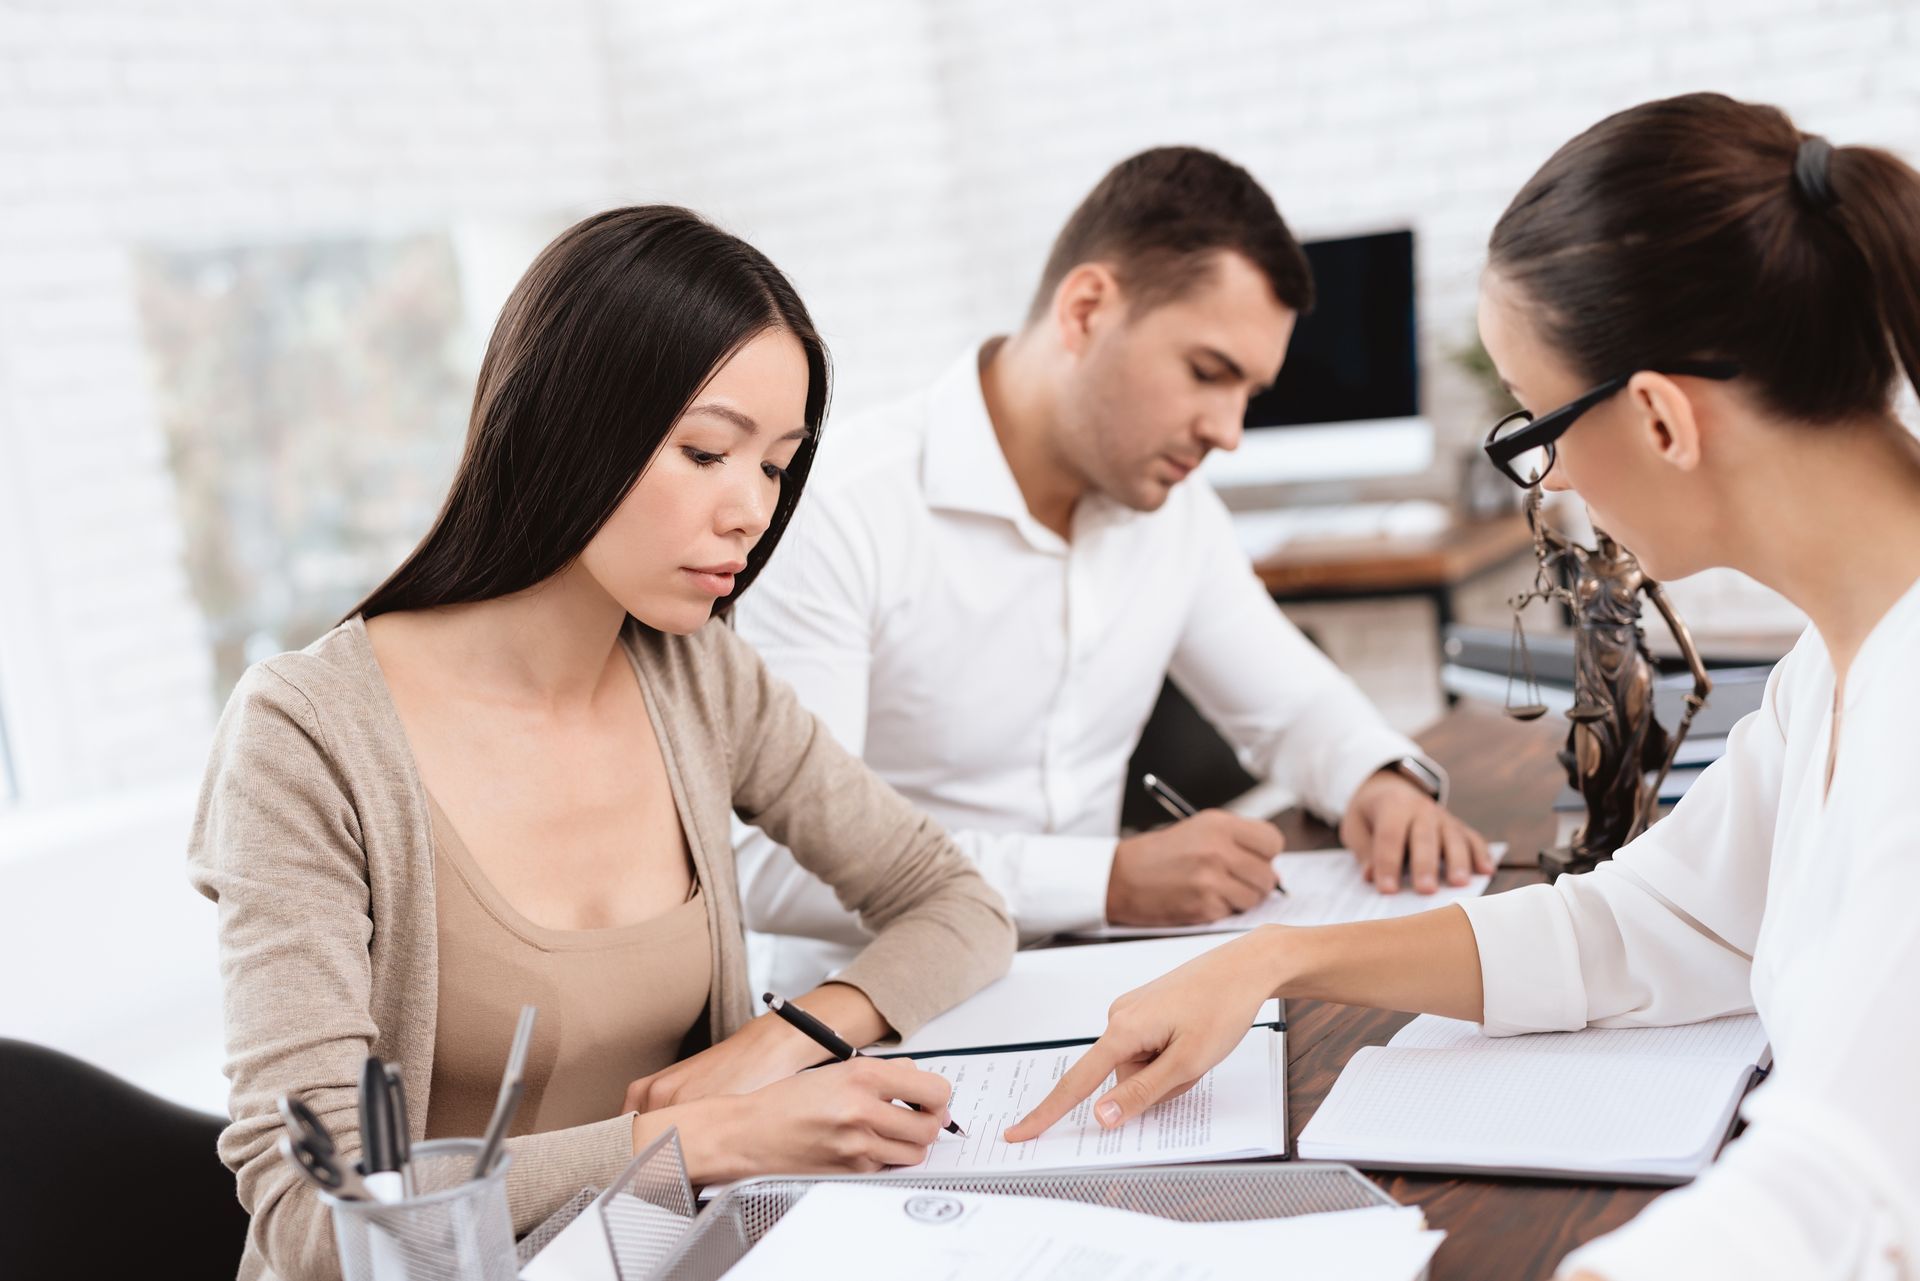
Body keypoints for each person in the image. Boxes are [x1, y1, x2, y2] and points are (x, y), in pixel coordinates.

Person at [1003, 94, 1920, 1279]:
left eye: (1535, 427)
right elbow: (1651, 923)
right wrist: (1277, 960)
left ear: (1657, 417)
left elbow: (1845, 1196)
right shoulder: (1832, 667)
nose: (1548, 477)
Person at [188, 206, 1015, 1281]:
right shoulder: (306, 735)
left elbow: (957, 903)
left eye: (775, 466)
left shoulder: (699, 675)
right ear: (562, 423)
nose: (749, 511)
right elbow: (314, 1209)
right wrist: (712, 1136)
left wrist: (786, 1040)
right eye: (706, 451)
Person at [734, 146, 1491, 993]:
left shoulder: (1172, 513)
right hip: (866, 1018)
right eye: (1208, 373)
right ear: (1087, 308)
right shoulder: (836, 510)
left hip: (1090, 983)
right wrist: (1106, 880)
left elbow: (1293, 705)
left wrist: (1376, 780)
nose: (1229, 431)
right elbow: (773, 864)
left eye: (1250, 393)